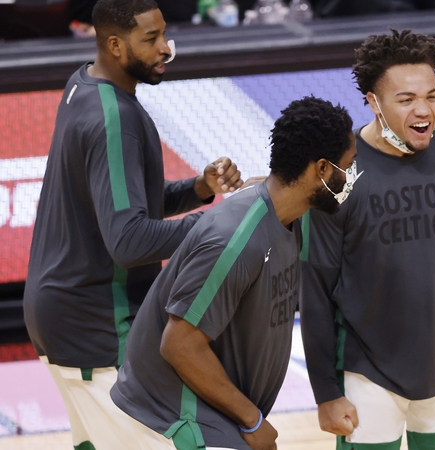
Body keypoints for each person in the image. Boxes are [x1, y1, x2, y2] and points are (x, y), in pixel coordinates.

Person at [22, 0, 243, 448]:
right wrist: (220, 219)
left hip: (61, 314)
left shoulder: (84, 83)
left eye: (164, 35)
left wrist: (200, 188)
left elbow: (117, 206)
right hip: (99, 323)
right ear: (116, 45)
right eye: (151, 40)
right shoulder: (115, 120)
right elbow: (128, 240)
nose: (166, 49)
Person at [111, 96, 358, 450]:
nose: (350, 179)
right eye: (347, 167)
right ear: (321, 169)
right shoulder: (236, 239)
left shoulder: (288, 212)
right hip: (180, 422)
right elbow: (179, 345)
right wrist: (252, 420)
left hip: (214, 419)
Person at [301, 29, 435, 449]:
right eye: (406, 100)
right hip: (367, 375)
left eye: (432, 96)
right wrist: (326, 392)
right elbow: (314, 290)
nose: (423, 111)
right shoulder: (338, 178)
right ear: (374, 102)